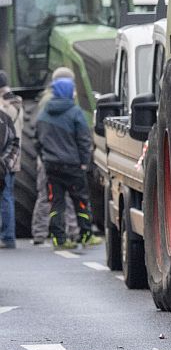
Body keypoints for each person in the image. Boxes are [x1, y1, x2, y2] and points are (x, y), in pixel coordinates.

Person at [36, 76, 99, 249]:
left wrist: (45, 158)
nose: (74, 93)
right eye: (72, 89)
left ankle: (59, 239)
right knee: (80, 201)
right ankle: (86, 235)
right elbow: (84, 140)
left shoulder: (43, 113)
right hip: (73, 166)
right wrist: (84, 162)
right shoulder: (75, 112)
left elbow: (37, 141)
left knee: (56, 203)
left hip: (51, 166)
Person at [31, 66, 79, 244]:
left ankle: (40, 232)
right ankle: (71, 231)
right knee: (63, 195)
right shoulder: (60, 100)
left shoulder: (47, 99)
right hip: (58, 156)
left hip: (48, 156)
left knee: (47, 195)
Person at [0, 71, 21, 249]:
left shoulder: (5, 106)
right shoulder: (17, 102)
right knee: (8, 196)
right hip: (14, 157)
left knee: (5, 196)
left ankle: (7, 236)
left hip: (5, 157)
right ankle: (8, 235)